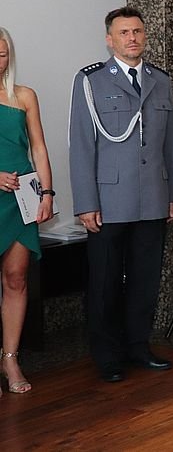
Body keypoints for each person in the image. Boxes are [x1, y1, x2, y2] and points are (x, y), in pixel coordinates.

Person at [69, 7, 173, 383]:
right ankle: (107, 354)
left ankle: (138, 346)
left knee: (145, 279)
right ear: (110, 39)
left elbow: (171, 144)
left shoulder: (159, 81)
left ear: (144, 36)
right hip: (109, 200)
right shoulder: (91, 81)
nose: (131, 37)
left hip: (152, 196)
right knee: (104, 281)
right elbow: (82, 147)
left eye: (137, 31)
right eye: (123, 32)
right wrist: (86, 203)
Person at [0, 27, 54, 396]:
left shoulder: (23, 96)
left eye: (3, 53)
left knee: (17, 277)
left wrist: (47, 194)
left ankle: (10, 357)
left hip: (22, 198)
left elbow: (38, 147)